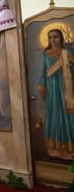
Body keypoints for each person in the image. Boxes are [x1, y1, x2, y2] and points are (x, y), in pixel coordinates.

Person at [39, 29, 74, 160]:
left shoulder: (68, 52)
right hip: (53, 90)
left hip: (68, 90)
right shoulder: (45, 55)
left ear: (61, 38)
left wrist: (72, 59)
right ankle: (55, 150)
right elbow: (42, 72)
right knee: (56, 116)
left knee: (69, 117)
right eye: (50, 38)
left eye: (55, 37)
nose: (52, 40)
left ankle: (70, 150)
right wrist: (42, 86)